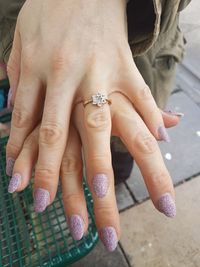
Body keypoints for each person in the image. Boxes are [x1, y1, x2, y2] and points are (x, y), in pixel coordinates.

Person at [0, 0, 191, 252]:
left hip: (146, 65)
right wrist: (24, 44)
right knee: (66, 151)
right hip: (43, 60)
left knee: (122, 156)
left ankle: (118, 173)